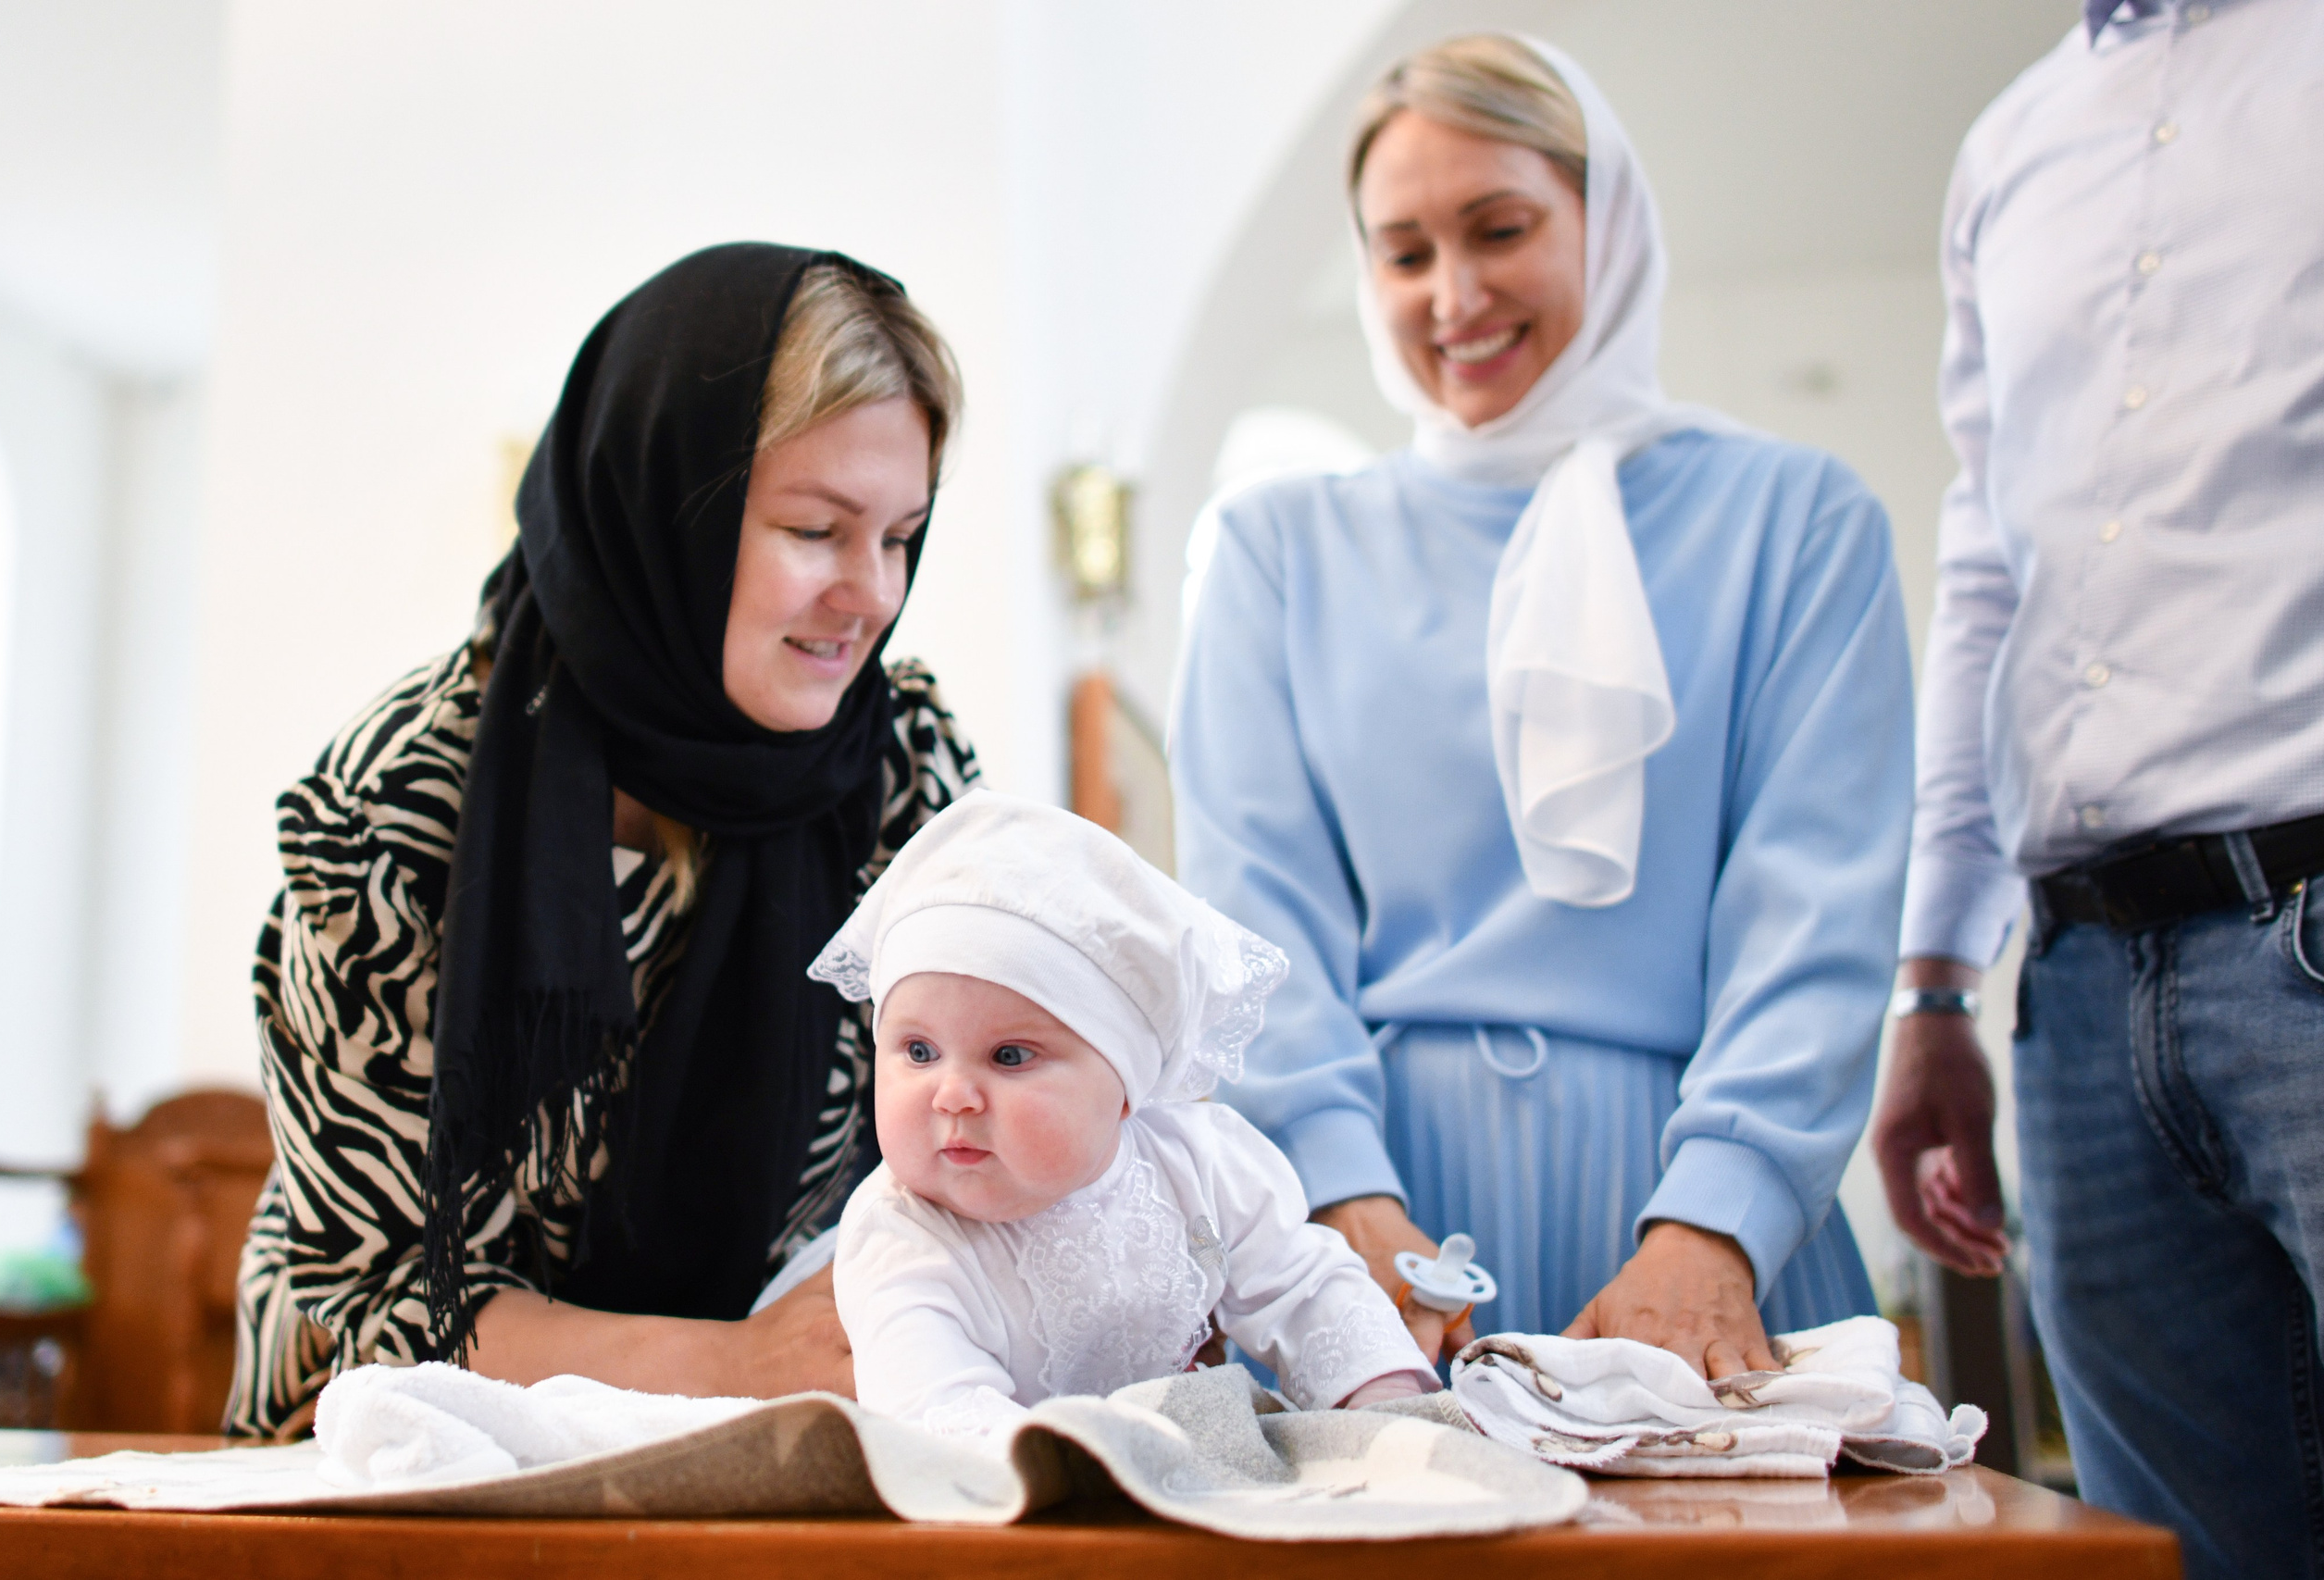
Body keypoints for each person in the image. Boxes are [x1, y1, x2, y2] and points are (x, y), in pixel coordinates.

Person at [1169, 35, 1912, 1384]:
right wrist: (1344, 1202)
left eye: (1499, 229)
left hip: (1709, 1225)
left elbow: (1821, 906)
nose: (1453, 294)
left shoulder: (1796, 521)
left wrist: (1717, 1221)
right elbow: (1253, 915)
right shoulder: (1277, 547)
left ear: (1606, 221)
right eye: (1403, 253)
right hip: (1368, 1235)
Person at [226, 243, 978, 1439]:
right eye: (815, 528)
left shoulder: (900, 772)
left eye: (899, 537)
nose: (872, 595)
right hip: (417, 1457)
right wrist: (740, 1365)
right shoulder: (399, 817)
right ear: (658, 506)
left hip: (779, 1448)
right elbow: (382, 1309)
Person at [1871, 4, 2324, 1574]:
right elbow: (1989, 569)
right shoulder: (2009, 146)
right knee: (2175, 1556)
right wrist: (1934, 977)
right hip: (2076, 999)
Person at [819, 792, 1436, 1437]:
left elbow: (1304, 1287)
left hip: (1180, 1462)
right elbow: (936, 1410)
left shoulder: (1198, 1162)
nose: (953, 1094)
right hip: (1024, 1496)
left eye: (1008, 1055)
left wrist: (1380, 1396)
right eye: (919, 1051)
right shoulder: (899, 1233)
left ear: (1124, 1086)